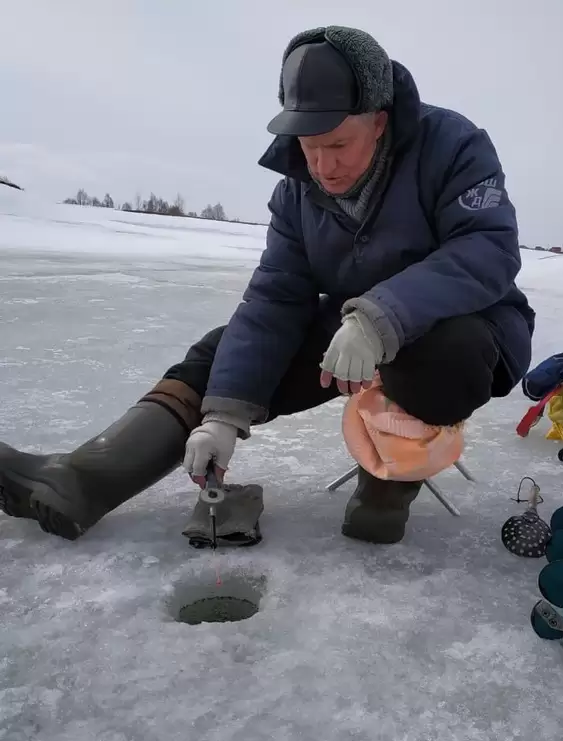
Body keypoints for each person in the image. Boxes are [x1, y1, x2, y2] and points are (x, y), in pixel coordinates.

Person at [0, 25, 535, 546]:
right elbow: (276, 299)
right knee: (217, 356)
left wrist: (380, 318)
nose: (323, 166)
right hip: (349, 329)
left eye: (339, 144)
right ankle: (85, 479)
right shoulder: (296, 193)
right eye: (308, 146)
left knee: (445, 353)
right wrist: (224, 413)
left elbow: (486, 249)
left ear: (379, 120)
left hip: (465, 326)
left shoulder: (453, 146)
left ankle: (386, 488)